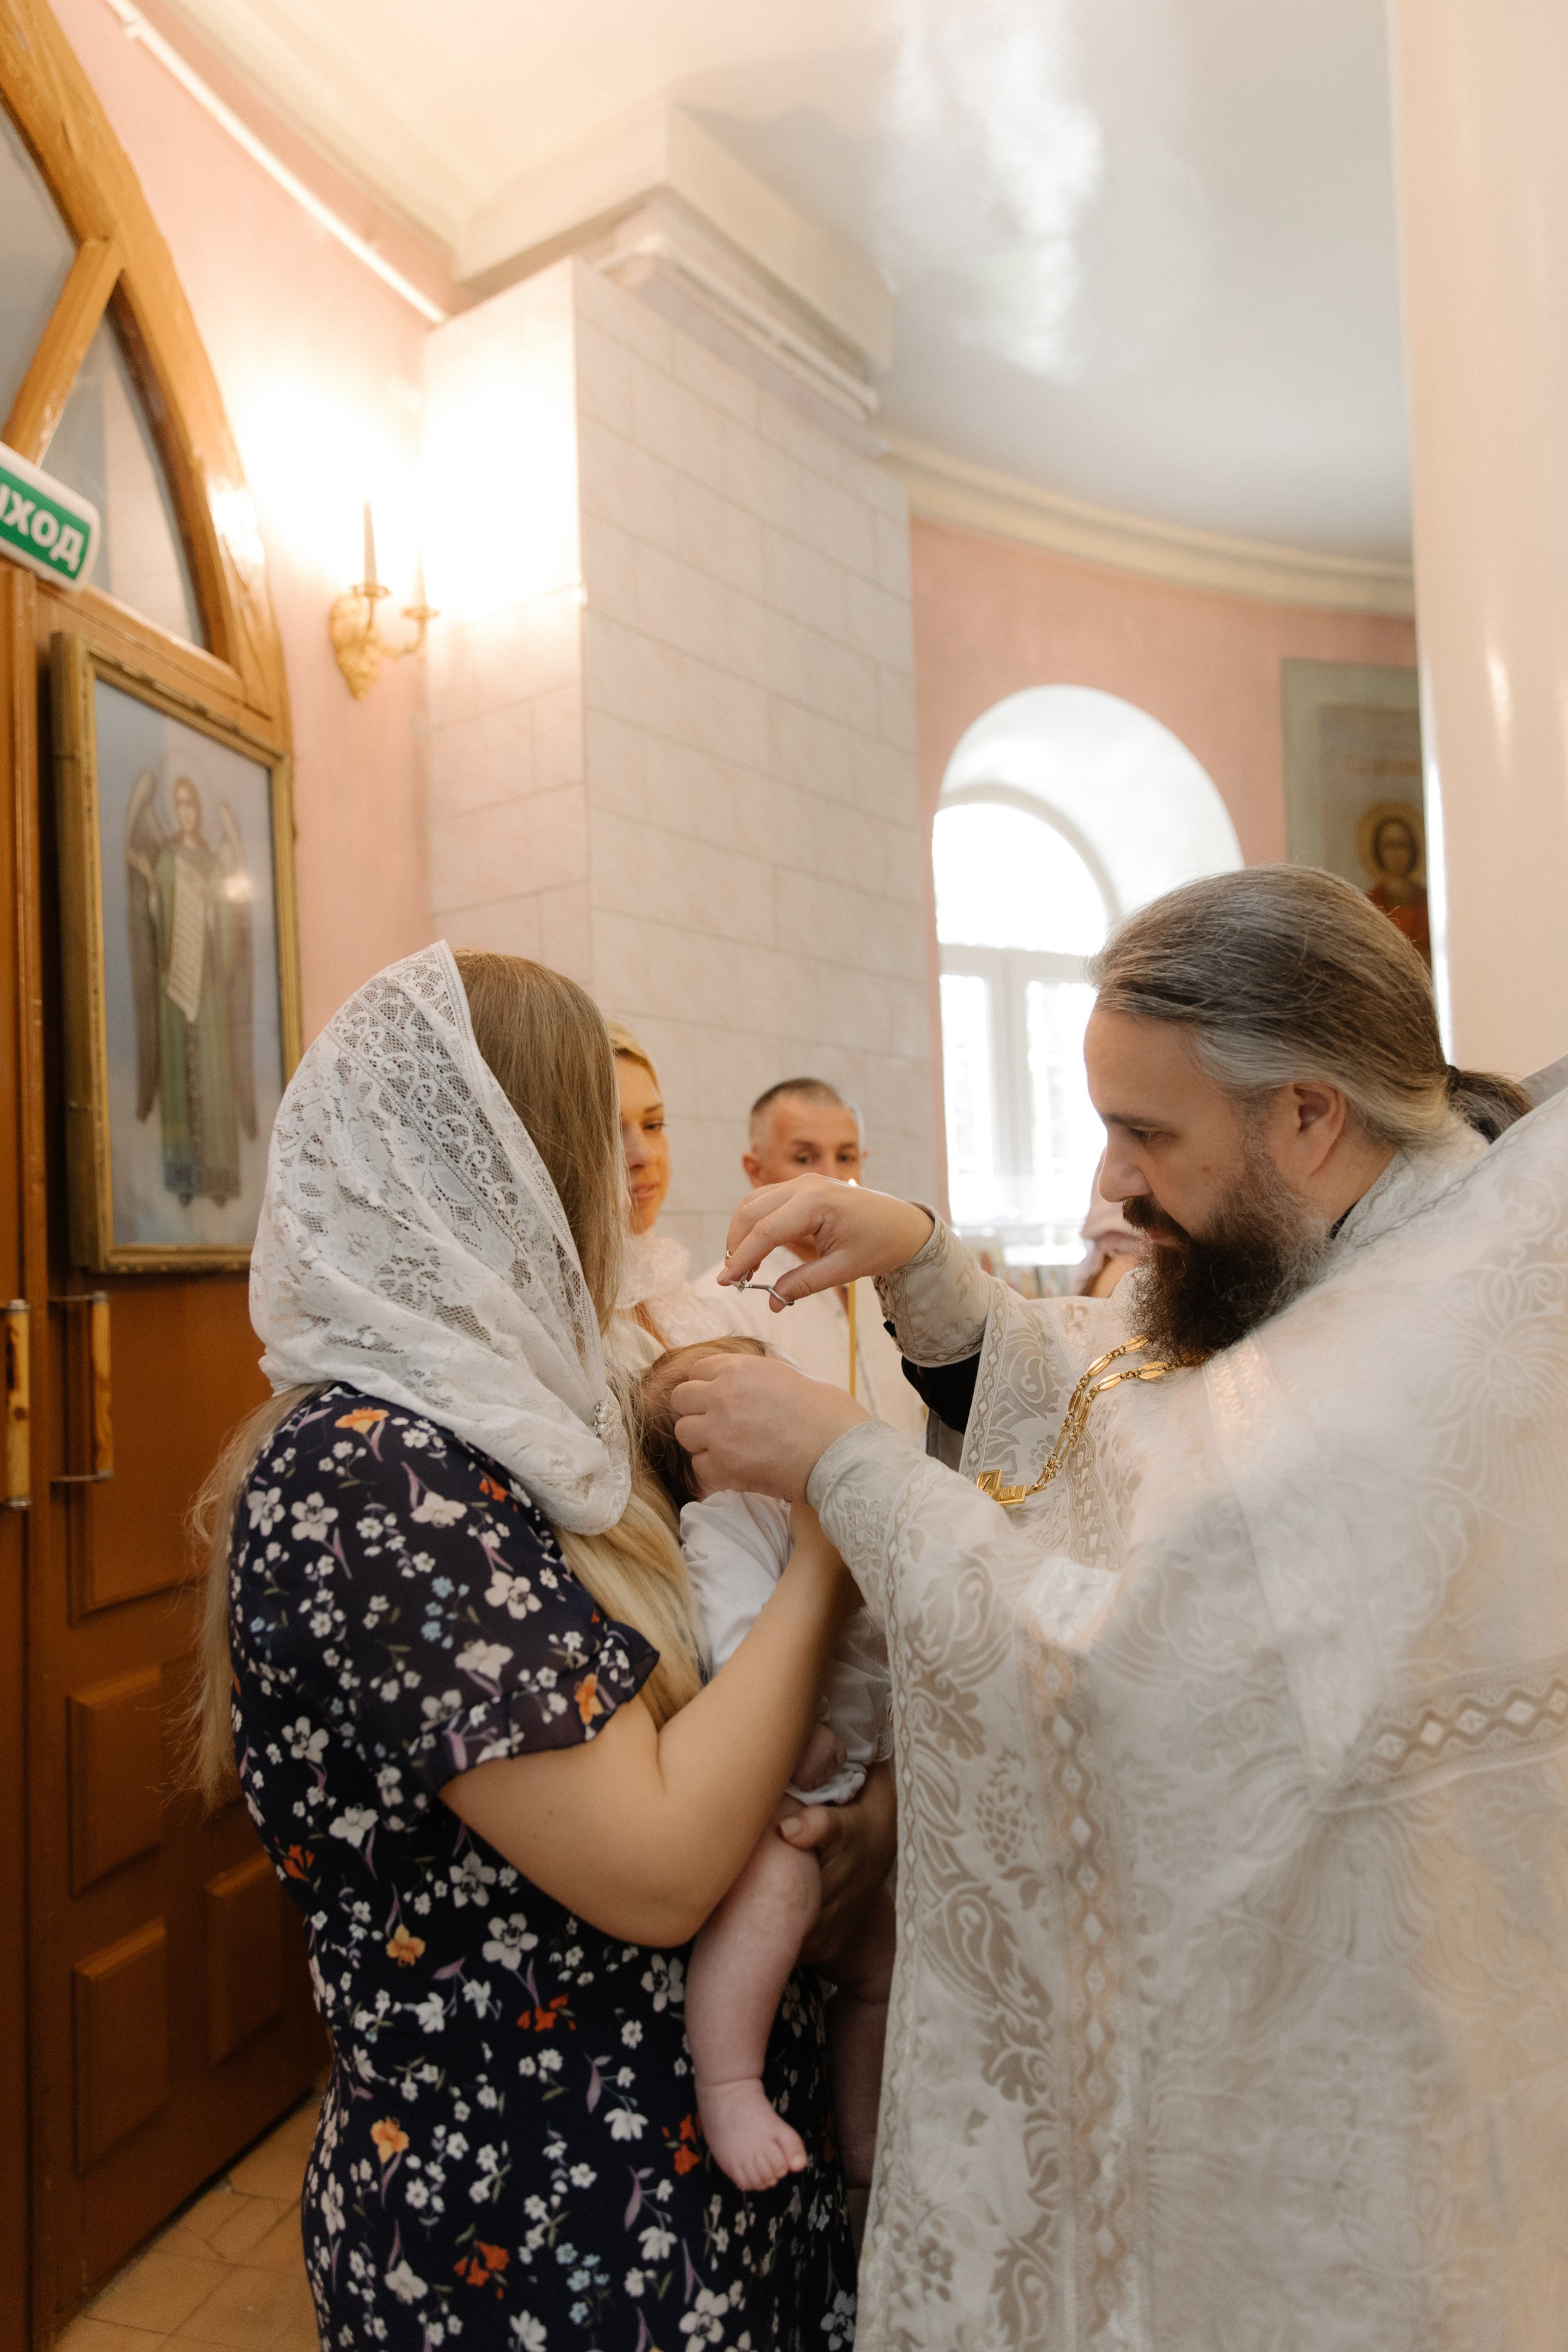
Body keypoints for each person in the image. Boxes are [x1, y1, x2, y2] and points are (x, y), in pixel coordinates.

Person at [673, 866, 1568, 2352]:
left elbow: (1125, 1661)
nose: (1116, 1181)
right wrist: (921, 1264)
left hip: (1371, 2078)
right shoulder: (1378, 1227)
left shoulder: (1430, 1339)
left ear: (1302, 1111)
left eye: (1143, 1132)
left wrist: (837, 1463)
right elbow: (1151, 1411)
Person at [193, 944, 869, 2351]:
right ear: (496, 1172)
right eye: (586, 1139)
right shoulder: (377, 1470)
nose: (612, 1181)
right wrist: (826, 1537)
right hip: (542, 2237)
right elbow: (660, 1865)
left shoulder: (503, 1420)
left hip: (666, 2196)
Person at [641, 1336, 895, 2199]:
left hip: (852, 1780)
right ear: (695, 1455)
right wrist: (810, 1744)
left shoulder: (805, 1503)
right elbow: (739, 1647)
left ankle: (863, 2154)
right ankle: (729, 2084)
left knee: (882, 1967)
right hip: (773, 1796)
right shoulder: (721, 1525)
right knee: (774, 1899)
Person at [693, 1079, 927, 1442]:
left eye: (845, 1157)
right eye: (805, 1159)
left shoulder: (893, 1279)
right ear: (756, 1171)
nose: (830, 1180)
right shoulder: (720, 1303)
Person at [606, 1020, 731, 1370]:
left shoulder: (669, 1287)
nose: (645, 1156)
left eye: (653, 1125)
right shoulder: (571, 1317)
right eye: (608, 1131)